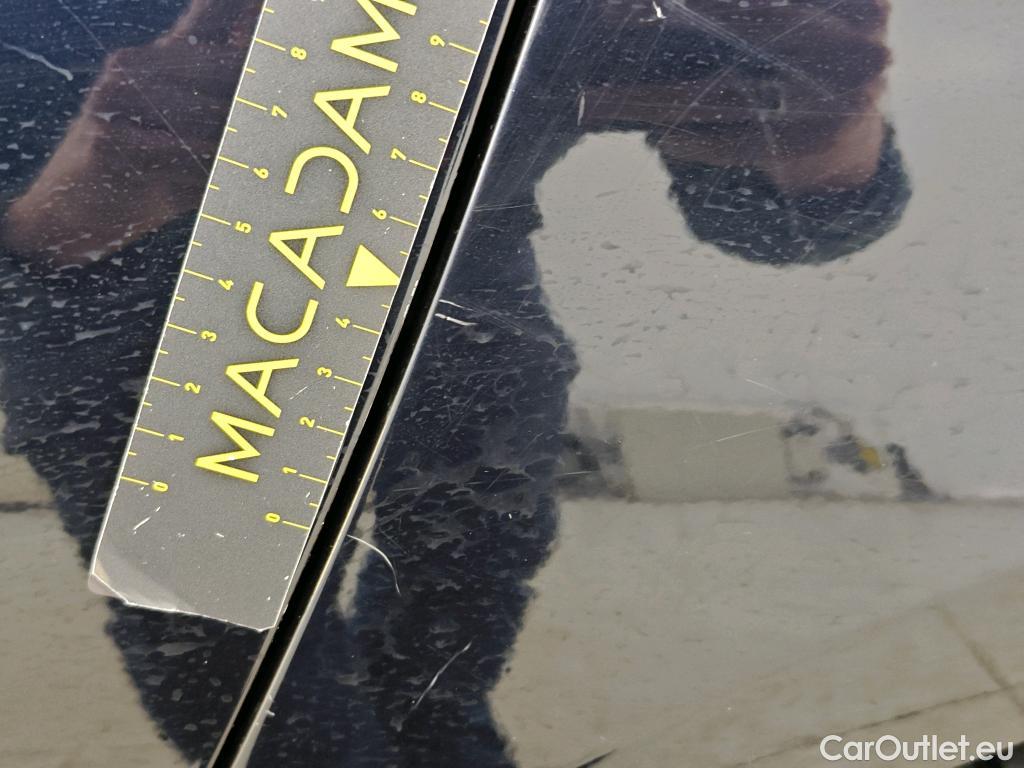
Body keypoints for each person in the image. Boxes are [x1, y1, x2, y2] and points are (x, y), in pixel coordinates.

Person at [0, 0, 910, 765]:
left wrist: (816, 133)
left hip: (460, 326)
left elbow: (764, 216)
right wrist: (78, 209)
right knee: (282, 715)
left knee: (437, 686)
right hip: (147, 351)